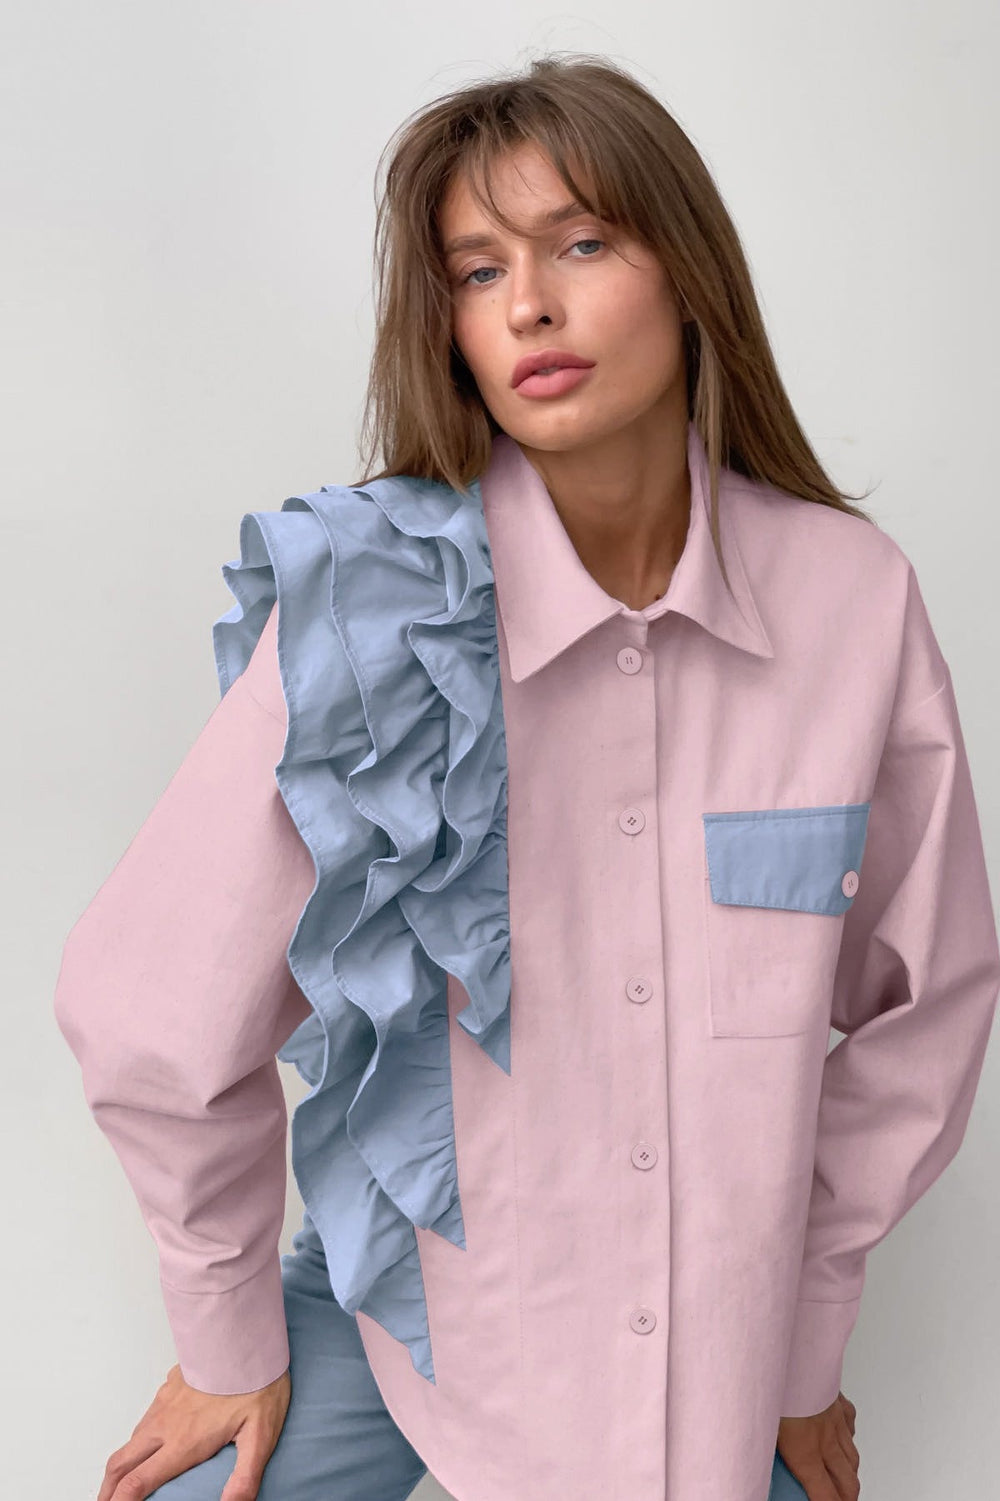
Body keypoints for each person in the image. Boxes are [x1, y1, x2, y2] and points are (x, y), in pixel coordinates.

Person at [53, 51, 999, 1501]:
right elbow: (148, 1008)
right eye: (478, 271)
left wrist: (801, 1350)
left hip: (712, 1347)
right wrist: (224, 1331)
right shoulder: (372, 608)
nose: (528, 308)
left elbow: (923, 1010)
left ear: (689, 270)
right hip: (407, 1307)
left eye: (582, 245)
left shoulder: (851, 602)